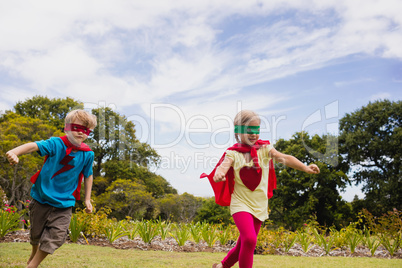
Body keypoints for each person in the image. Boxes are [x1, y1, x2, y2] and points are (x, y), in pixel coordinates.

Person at [201, 110, 320, 268]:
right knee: (250, 239)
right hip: (240, 203)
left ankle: (221, 267)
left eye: (256, 130)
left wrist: (305, 168)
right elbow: (223, 166)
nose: (253, 134)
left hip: (259, 204)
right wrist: (219, 174)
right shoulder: (233, 153)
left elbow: (284, 157)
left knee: (243, 245)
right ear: (238, 132)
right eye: (249, 130)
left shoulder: (265, 149)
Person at [6, 109, 97, 268]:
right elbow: (33, 146)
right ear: (66, 128)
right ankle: (34, 251)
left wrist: (87, 199)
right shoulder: (56, 144)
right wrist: (15, 152)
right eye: (76, 128)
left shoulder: (88, 154)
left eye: (85, 130)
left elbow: (88, 175)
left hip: (65, 203)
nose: (80, 133)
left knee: (56, 236)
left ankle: (32, 265)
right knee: (36, 234)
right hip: (42, 197)